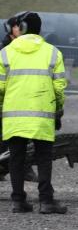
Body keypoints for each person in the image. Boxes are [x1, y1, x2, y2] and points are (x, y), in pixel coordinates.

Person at [0, 12, 68, 213]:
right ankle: (46, 201)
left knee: (16, 158)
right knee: (44, 158)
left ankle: (18, 201)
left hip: (13, 117)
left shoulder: (5, 53)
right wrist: (58, 110)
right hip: (42, 115)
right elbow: (59, 88)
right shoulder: (53, 53)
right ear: (40, 30)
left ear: (21, 29)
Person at [0, 16, 38, 183]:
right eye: (17, 27)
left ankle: (22, 168)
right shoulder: (7, 47)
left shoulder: (18, 45)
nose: (20, 30)